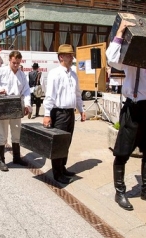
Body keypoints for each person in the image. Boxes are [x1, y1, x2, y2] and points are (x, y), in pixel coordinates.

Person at [106, 21, 146, 211]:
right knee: (122, 152)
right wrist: (119, 32)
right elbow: (112, 58)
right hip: (132, 109)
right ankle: (120, 192)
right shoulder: (134, 59)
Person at [43, 44, 86, 184]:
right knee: (58, 143)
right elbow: (49, 95)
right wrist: (47, 114)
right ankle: (57, 173)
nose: (71, 57)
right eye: (68, 55)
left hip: (70, 113)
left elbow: (77, 94)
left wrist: (81, 109)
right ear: (61, 57)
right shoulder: (55, 73)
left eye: (71, 54)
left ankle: (62, 167)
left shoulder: (73, 74)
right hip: (59, 113)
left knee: (67, 142)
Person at [0, 50, 32, 171]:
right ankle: (1, 160)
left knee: (16, 132)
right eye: (14, 62)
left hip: (16, 106)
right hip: (4, 106)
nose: (16, 65)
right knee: (2, 134)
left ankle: (16, 157)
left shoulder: (22, 75)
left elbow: (26, 90)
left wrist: (27, 105)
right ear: (10, 60)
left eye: (18, 63)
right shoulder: (1, 71)